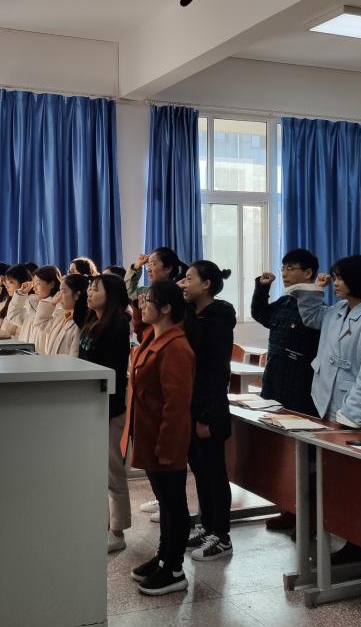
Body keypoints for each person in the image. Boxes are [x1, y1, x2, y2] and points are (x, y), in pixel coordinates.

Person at [127, 280, 195, 596]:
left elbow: (176, 405)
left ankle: (175, 568)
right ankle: (163, 556)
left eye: (149, 300)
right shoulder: (153, 338)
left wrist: (167, 446)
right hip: (150, 434)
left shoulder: (176, 347)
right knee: (166, 503)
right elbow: (138, 324)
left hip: (165, 440)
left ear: (166, 307)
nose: (143, 305)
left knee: (174, 504)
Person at [296, 256, 361, 435]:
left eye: (341, 278)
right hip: (327, 402)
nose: (335, 283)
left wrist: (349, 417)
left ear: (358, 279)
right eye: (335, 278)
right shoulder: (339, 309)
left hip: (354, 414)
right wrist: (315, 289)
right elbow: (311, 317)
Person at [179, 261, 236, 562]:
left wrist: (204, 416)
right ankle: (206, 525)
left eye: (189, 279)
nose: (183, 283)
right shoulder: (192, 313)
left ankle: (222, 535)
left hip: (209, 409)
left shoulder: (218, 318)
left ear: (206, 284)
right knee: (200, 472)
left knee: (215, 473)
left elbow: (216, 372)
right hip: (191, 405)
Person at [78, 274, 132, 553]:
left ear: (110, 295)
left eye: (95, 289)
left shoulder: (118, 324)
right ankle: (101, 522)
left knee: (112, 471)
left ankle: (118, 531)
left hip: (109, 407)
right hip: (90, 406)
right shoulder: (92, 322)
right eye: (88, 288)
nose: (89, 293)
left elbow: (112, 372)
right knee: (95, 470)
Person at [251, 249, 322, 417]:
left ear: (308, 273)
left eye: (290, 268)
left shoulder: (317, 311)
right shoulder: (284, 302)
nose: (284, 273)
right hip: (273, 381)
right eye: (283, 268)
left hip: (300, 388)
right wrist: (262, 288)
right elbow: (260, 314)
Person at [124, 247, 187, 341]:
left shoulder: (181, 293)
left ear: (168, 268)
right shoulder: (148, 292)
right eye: (148, 265)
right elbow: (128, 291)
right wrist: (136, 267)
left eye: (153, 264)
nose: (149, 270)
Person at [41, 273, 89, 356]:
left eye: (63, 291)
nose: (59, 296)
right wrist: (51, 304)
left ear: (76, 295)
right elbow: (41, 325)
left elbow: (75, 358)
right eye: (59, 291)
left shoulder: (80, 325)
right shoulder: (62, 317)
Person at [0, 264, 32, 338]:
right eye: (6, 283)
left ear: (23, 283)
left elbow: (21, 339)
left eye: (11, 282)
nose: (7, 286)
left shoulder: (28, 306)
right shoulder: (9, 302)